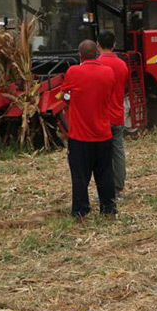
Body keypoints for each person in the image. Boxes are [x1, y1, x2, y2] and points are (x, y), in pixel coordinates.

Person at [60, 40, 117, 218]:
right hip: (103, 134)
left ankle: (81, 211)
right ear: (97, 53)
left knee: (80, 177)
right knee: (105, 174)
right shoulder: (108, 72)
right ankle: (108, 209)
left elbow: (64, 96)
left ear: (80, 55)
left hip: (80, 136)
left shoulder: (74, 71)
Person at [97, 31, 129, 195]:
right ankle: (118, 187)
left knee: (102, 156)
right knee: (118, 152)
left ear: (98, 45)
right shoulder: (122, 65)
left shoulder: (97, 64)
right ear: (114, 45)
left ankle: (105, 189)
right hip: (118, 115)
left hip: (101, 117)